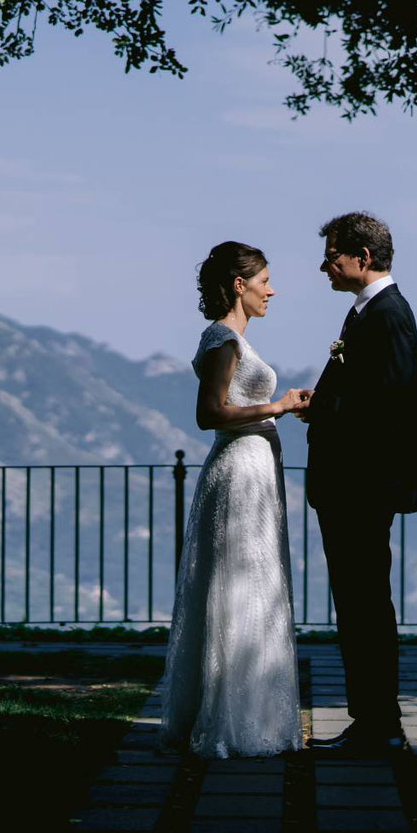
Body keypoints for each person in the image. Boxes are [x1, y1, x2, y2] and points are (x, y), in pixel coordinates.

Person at [159, 242, 313, 759]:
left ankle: (252, 712)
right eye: (265, 280)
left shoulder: (234, 339)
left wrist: (281, 409)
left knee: (254, 585)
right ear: (239, 285)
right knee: (239, 583)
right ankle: (232, 719)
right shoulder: (223, 339)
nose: (272, 290)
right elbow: (210, 413)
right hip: (240, 470)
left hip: (255, 467)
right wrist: (280, 405)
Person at [297, 212, 417, 756]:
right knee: (357, 604)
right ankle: (373, 721)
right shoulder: (367, 313)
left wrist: (327, 411)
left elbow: (389, 404)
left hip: (360, 488)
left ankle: (380, 724)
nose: (324, 265)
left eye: (333, 255)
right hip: (351, 486)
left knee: (365, 605)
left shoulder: (387, 315)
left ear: (364, 256)